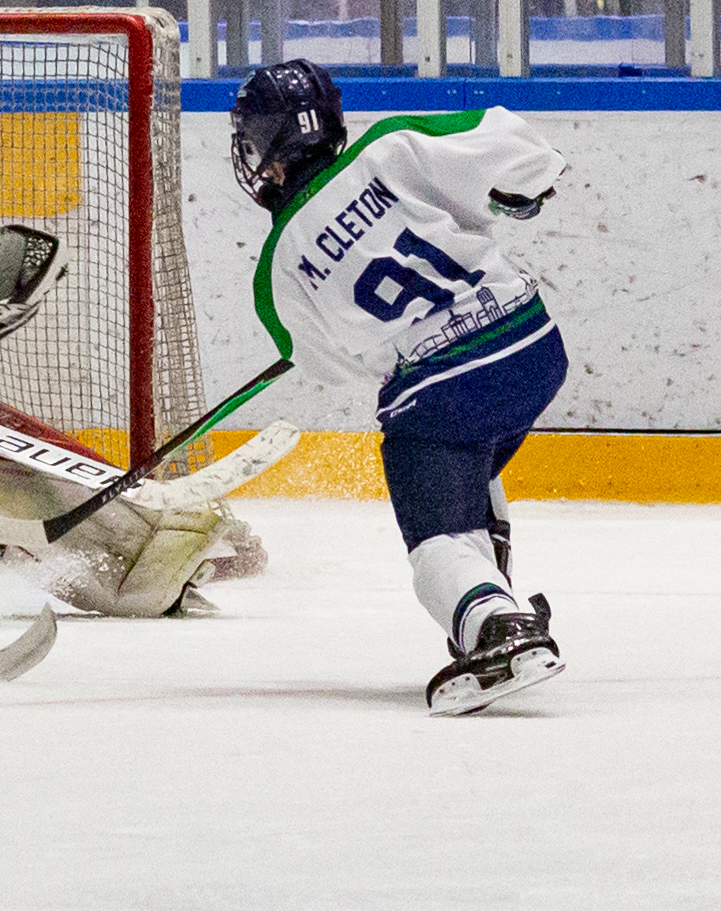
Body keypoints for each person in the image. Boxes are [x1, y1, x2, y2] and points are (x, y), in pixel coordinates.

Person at [232, 58, 568, 713]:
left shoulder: (277, 269)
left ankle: (495, 622)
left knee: (432, 533)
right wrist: (522, 189)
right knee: (461, 453)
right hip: (533, 345)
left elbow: (329, 362)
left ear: (268, 146)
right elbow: (513, 144)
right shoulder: (391, 147)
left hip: (446, 385)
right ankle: (488, 583)